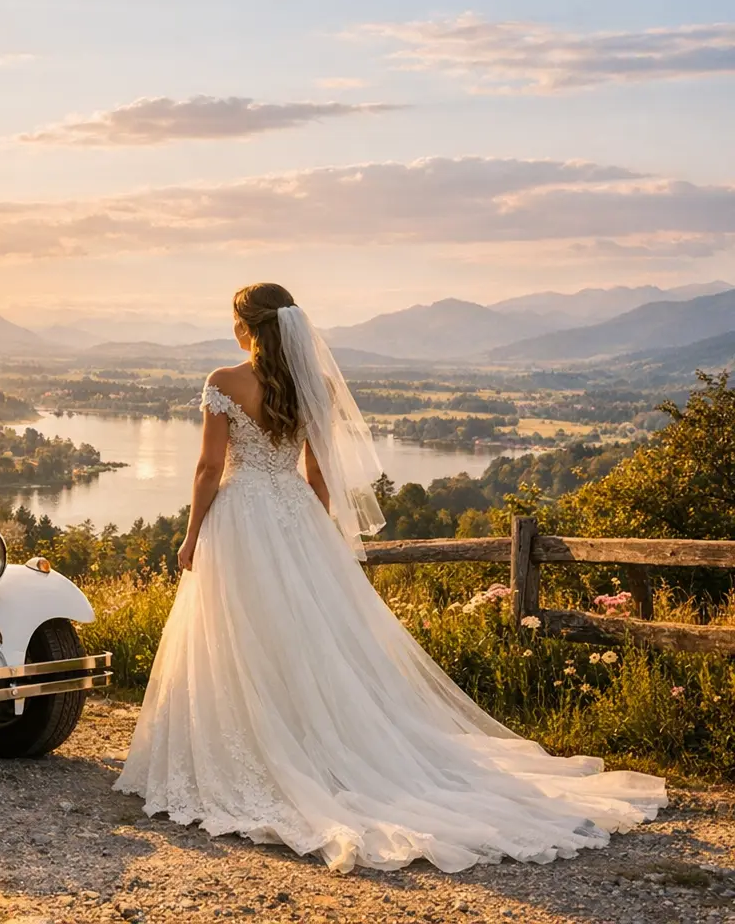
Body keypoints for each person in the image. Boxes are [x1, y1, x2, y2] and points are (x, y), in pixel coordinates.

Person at [114, 282, 665, 873]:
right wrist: (314, 532)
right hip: (295, 516)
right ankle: (316, 742)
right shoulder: (315, 385)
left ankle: (258, 747)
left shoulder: (225, 382)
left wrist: (191, 533)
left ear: (246, 326)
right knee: (310, 638)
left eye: (234, 320)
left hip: (240, 519)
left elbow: (208, 467)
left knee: (239, 635)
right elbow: (317, 471)